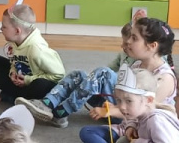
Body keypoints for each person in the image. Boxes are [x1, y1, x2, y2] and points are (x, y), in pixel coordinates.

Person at [16, 11, 146, 127]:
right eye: (124, 42)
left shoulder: (145, 63)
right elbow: (108, 71)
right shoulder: (124, 55)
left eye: (128, 43)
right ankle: (47, 103)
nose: (123, 46)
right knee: (79, 75)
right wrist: (88, 83)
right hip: (106, 101)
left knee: (103, 73)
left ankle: (61, 112)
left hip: (122, 111)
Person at [77, 16, 178, 143]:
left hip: (150, 134)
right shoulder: (136, 65)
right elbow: (128, 100)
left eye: (134, 38)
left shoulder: (164, 78)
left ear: (152, 46)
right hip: (130, 124)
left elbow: (143, 111)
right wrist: (115, 106)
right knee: (87, 132)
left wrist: (111, 112)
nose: (128, 41)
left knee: (100, 139)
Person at [0, 0, 65, 103]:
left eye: (4, 26)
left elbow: (59, 75)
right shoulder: (14, 42)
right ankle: (20, 98)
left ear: (17, 31)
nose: (0, 29)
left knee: (40, 85)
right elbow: (14, 62)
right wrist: (12, 73)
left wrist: (28, 80)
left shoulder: (37, 49)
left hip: (34, 83)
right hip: (22, 81)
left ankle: (15, 98)